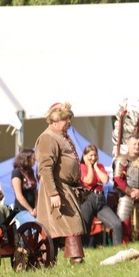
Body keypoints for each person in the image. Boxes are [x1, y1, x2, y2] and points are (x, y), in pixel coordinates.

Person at [34, 102, 86, 264]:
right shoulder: (48, 137)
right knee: (71, 223)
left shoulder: (60, 135)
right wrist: (53, 193)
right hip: (57, 188)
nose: (69, 121)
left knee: (60, 226)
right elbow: (45, 168)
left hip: (65, 187)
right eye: (65, 118)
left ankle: (53, 261)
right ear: (55, 120)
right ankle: (74, 259)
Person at [113, 135, 139, 243]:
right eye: (134, 144)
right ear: (128, 145)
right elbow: (118, 179)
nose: (137, 146)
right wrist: (130, 192)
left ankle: (138, 251)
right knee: (125, 225)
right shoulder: (121, 159)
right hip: (125, 197)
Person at [79, 145, 123, 246]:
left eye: (95, 155)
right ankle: (83, 252)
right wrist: (89, 166)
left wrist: (95, 167)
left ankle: (118, 251)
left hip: (100, 199)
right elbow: (89, 180)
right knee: (85, 227)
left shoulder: (101, 166)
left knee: (116, 224)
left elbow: (105, 180)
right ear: (84, 156)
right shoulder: (81, 167)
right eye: (90, 155)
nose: (93, 158)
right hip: (88, 199)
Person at [11, 148, 37, 227]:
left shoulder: (31, 172)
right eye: (33, 159)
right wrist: (30, 210)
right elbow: (19, 195)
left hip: (33, 209)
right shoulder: (16, 172)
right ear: (26, 159)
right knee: (34, 227)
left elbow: (35, 192)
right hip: (21, 210)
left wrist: (36, 208)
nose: (35, 161)